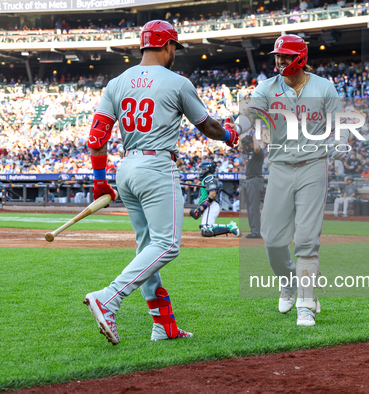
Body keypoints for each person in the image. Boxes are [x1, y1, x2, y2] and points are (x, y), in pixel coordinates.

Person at [83, 20, 239, 345]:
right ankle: (109, 298)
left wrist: (100, 182)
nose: (174, 54)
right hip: (156, 166)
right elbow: (207, 126)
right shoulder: (177, 82)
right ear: (167, 46)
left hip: (126, 167)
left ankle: (163, 324)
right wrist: (229, 135)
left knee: (147, 247)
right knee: (167, 245)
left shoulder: (117, 82)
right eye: (174, 48)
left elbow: (97, 137)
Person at [232, 34, 349, 326]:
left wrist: (341, 143)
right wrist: (235, 129)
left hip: (313, 166)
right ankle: (288, 282)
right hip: (281, 167)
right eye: (277, 56)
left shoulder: (323, 86)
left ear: (300, 58)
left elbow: (339, 122)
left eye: (284, 56)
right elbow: (250, 113)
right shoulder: (267, 87)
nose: (279, 61)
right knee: (271, 238)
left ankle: (306, 304)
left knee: (307, 240)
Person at [189, 161, 240, 237]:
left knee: (206, 229)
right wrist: (200, 208)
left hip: (211, 205)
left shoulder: (209, 178)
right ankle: (209, 225)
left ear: (207, 170)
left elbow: (212, 195)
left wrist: (203, 206)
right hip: (210, 206)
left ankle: (230, 227)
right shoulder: (207, 179)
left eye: (203, 169)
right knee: (204, 229)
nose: (201, 171)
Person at [242, 135, 264, 239]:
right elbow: (240, 147)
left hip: (255, 179)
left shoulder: (258, 153)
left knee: (254, 207)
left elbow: (256, 148)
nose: (245, 146)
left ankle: (256, 232)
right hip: (250, 180)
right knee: (250, 207)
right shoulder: (248, 152)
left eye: (247, 144)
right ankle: (254, 230)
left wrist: (254, 138)